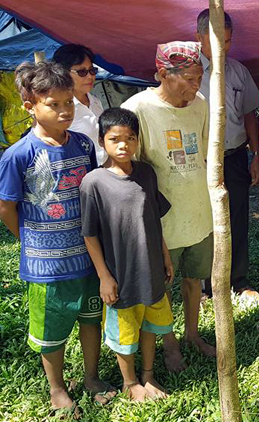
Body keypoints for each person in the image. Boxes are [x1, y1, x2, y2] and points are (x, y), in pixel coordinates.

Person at [0, 62, 115, 416]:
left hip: (87, 255)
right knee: (52, 329)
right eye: (54, 104)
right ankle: (57, 388)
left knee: (90, 318)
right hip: (46, 265)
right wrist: (30, 242)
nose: (64, 110)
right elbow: (6, 207)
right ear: (30, 106)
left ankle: (93, 378)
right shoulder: (18, 155)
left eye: (68, 102)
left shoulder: (81, 144)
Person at [122, 41, 215, 370]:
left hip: (198, 210)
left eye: (200, 77)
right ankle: (168, 341)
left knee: (195, 278)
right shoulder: (137, 110)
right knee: (161, 284)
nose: (196, 85)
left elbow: (202, 153)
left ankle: (192, 333)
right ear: (162, 74)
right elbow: (129, 171)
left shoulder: (201, 103)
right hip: (162, 220)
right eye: (189, 78)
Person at [80, 108, 174, 401]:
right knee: (124, 334)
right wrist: (104, 276)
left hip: (152, 268)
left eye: (130, 138)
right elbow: (89, 234)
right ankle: (130, 381)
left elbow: (154, 219)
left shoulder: (146, 172)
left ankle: (148, 375)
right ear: (101, 140)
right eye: (115, 139)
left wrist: (165, 256)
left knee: (149, 324)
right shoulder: (93, 182)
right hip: (121, 274)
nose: (124, 145)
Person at [196, 9, 259, 298]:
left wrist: (256, 154)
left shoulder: (238, 71)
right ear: (199, 38)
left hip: (234, 156)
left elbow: (249, 114)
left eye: (228, 41)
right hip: (201, 161)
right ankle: (206, 284)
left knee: (237, 216)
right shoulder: (188, 73)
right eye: (216, 40)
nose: (223, 47)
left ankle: (239, 279)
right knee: (205, 221)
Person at [53, 44, 106, 164]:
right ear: (63, 73)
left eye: (92, 70)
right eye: (82, 72)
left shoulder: (96, 102)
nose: (90, 76)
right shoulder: (58, 111)